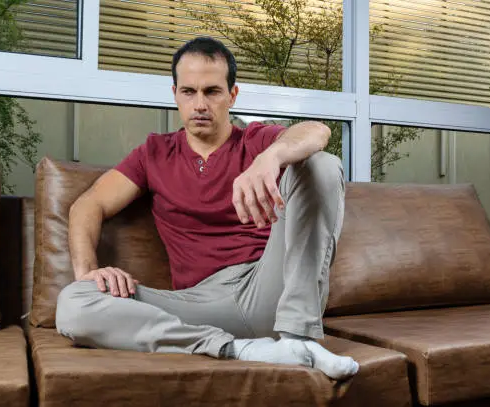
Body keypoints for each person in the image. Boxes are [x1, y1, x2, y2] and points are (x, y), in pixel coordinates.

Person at [55, 36, 358, 380]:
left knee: (321, 165)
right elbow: (88, 204)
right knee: (74, 303)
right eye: (189, 92)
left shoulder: (255, 140)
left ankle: (299, 337)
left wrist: (270, 157)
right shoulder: (153, 154)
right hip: (198, 305)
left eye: (212, 91)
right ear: (175, 95)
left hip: (268, 288)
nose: (199, 103)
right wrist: (89, 272)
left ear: (232, 95)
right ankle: (242, 349)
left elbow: (317, 132)